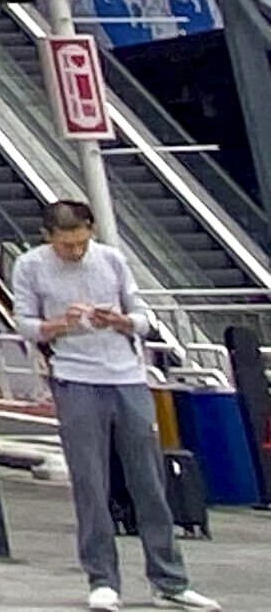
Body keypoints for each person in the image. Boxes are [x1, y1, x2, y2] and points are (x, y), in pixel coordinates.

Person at [15, 199, 224, 610]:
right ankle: (102, 578)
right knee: (90, 482)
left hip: (126, 375)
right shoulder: (31, 266)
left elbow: (143, 316)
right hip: (74, 376)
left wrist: (122, 321)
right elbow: (24, 323)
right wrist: (62, 324)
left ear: (91, 230)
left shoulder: (110, 260)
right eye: (65, 245)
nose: (74, 252)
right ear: (48, 237)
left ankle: (169, 579)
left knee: (148, 479)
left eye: (79, 243)